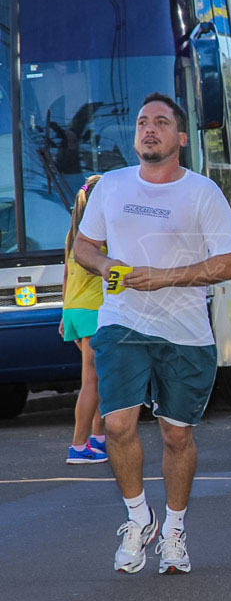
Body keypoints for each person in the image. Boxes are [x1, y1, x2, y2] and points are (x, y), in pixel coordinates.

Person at [73, 93, 231, 575]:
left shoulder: (203, 192)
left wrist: (164, 276)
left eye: (161, 123)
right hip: (122, 323)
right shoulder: (111, 185)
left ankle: (174, 529)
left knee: (176, 435)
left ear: (180, 138)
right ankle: (137, 518)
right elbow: (85, 246)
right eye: (143, 122)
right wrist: (108, 265)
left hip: (185, 331)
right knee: (120, 425)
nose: (149, 129)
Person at [61, 175, 107, 465]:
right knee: (91, 380)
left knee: (101, 378)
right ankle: (79, 445)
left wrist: (64, 316)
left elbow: (65, 276)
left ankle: (98, 440)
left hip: (75, 310)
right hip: (93, 311)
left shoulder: (72, 235)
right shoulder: (99, 237)